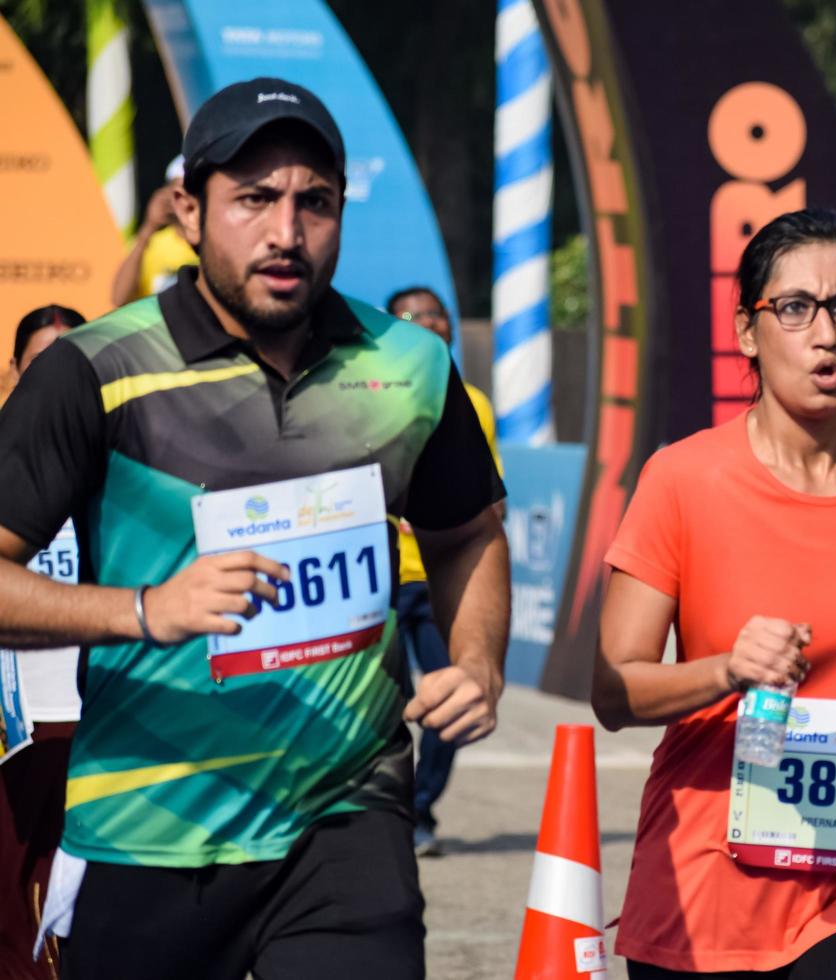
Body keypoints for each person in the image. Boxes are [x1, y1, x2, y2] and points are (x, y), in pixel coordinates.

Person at [0, 76, 509, 980]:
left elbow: (467, 530)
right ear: (190, 213)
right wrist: (146, 609)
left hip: (347, 819)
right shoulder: (95, 370)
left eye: (315, 201)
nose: (287, 231)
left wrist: (473, 660)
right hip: (151, 830)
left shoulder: (410, 366)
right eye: (255, 199)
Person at [593, 208, 836, 979]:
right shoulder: (683, 479)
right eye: (795, 308)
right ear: (747, 331)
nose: (826, 334)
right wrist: (725, 670)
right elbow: (613, 690)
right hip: (709, 878)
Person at [386, 286, 503, 856]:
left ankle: (420, 809)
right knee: (384, 705)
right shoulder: (368, 392)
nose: (430, 324)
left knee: (448, 699)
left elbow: (488, 502)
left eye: (437, 315)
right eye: (414, 316)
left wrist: (445, 513)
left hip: (436, 582)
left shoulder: (473, 402)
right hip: (383, 581)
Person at [0, 305, 85, 980]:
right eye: (39, 365)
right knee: (11, 909)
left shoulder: (122, 463)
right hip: (11, 727)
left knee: (85, 907)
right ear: (13, 371)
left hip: (98, 721)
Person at [110, 155, 198, 306]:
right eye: (178, 192)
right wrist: (148, 227)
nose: (185, 200)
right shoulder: (150, 244)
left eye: (191, 191)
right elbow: (119, 299)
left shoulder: (214, 242)